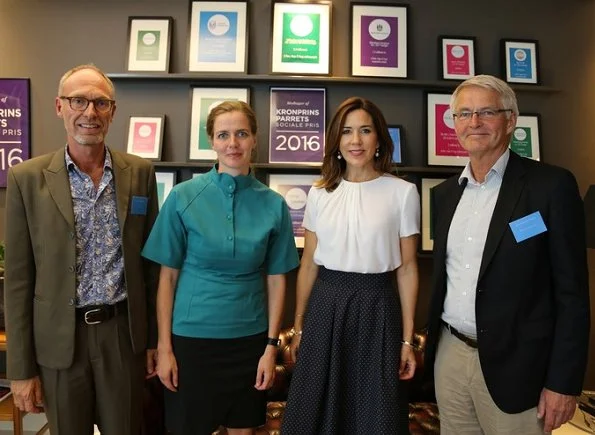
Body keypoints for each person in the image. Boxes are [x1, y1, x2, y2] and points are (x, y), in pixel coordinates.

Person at [426, 74, 590, 434]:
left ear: (511, 120)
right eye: (464, 113)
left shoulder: (551, 186)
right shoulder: (444, 196)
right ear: (454, 123)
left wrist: (564, 382)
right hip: (451, 356)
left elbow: (572, 293)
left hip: (521, 365)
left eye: (487, 112)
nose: (474, 122)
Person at [4, 64, 160, 435]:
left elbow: (151, 267)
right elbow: (19, 282)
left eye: (100, 103)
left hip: (121, 336)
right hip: (59, 341)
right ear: (60, 107)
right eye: (78, 101)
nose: (90, 112)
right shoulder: (27, 178)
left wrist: (153, 341)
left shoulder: (139, 173)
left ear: (112, 111)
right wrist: (21, 370)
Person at [141, 100, 299, 435]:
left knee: (243, 429)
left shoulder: (274, 205)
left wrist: (271, 348)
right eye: (223, 134)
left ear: (254, 138)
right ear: (211, 141)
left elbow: (276, 280)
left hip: (250, 341)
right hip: (191, 342)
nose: (233, 143)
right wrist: (165, 347)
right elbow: (166, 279)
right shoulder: (183, 198)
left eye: (242, 133)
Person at [281, 96, 420, 434]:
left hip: (379, 307)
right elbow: (310, 265)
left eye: (365, 130)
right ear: (336, 141)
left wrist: (406, 340)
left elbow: (407, 269)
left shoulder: (402, 193)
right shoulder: (319, 193)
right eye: (346, 132)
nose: (355, 140)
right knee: (314, 406)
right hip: (326, 306)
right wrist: (298, 327)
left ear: (378, 140)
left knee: (376, 411)